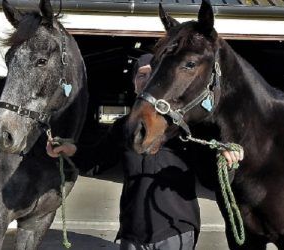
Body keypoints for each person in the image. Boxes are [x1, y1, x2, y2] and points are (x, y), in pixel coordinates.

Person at [47, 54, 243, 250]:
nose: (147, 79)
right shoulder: (123, 127)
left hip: (176, 230)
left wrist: (225, 164)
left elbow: (209, 178)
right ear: (134, 84)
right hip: (133, 232)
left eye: (154, 74)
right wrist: (71, 150)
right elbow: (96, 160)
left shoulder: (186, 127)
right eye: (141, 75)